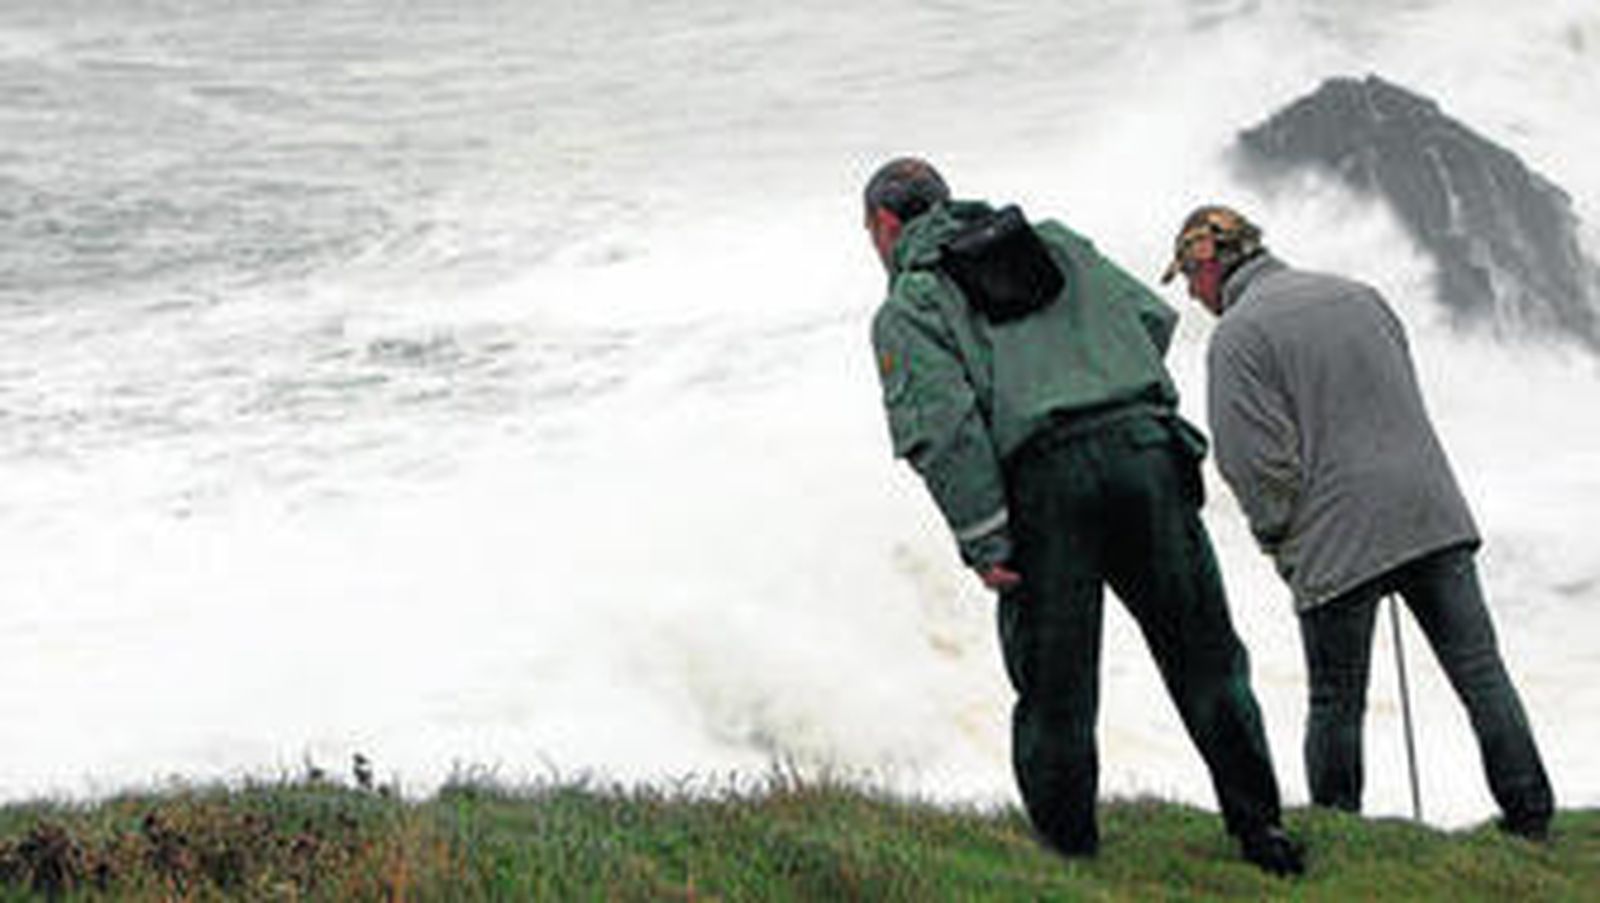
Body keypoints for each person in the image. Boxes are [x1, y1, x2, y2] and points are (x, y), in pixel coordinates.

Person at [863, 158, 1303, 875]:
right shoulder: (1056, 242)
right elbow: (1151, 316)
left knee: (1057, 687)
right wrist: (1100, 377)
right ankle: (1264, 831)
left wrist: (985, 539)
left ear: (885, 225)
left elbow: (944, 431)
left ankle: (1070, 852)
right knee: (1206, 658)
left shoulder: (912, 303)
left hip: (1049, 483)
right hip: (1148, 452)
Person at [1161, 205, 1555, 840]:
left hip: (1335, 537)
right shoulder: (1360, 296)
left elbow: (1252, 462)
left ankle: (1340, 831)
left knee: (1335, 698)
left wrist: (1277, 538)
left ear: (1207, 265)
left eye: (1188, 278)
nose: (1190, 294)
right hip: (1432, 512)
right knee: (1482, 673)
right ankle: (1532, 819)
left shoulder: (1238, 335)